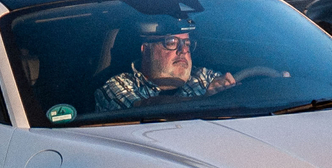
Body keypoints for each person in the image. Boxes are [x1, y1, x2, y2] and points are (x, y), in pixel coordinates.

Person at [94, 20, 239, 112]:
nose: (183, 50)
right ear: (146, 49)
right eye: (171, 43)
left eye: (187, 44)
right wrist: (206, 100)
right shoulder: (118, 85)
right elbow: (144, 109)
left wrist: (231, 87)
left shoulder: (202, 76)